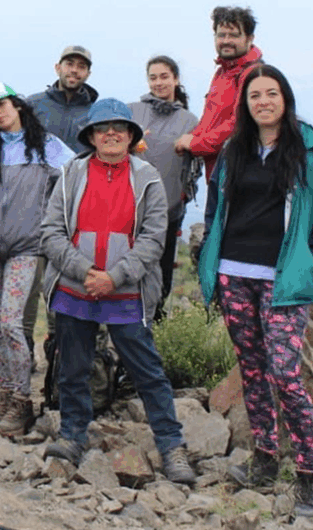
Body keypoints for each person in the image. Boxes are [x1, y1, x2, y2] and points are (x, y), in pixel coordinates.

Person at [196, 64, 313, 518]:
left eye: (271, 93)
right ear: (245, 105)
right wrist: (211, 257)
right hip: (235, 274)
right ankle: (265, 457)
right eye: (254, 95)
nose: (263, 101)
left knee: (285, 372)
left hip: (284, 280)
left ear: (285, 98)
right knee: (253, 370)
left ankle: (307, 474)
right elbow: (215, 211)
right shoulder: (233, 150)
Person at [39, 99, 197, 486]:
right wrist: (85, 271)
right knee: (73, 367)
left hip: (127, 292)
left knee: (146, 370)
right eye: (103, 128)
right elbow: (51, 232)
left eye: (120, 128)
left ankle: (171, 445)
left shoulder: (148, 178)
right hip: (76, 288)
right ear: (91, 136)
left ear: (130, 136)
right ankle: (73, 435)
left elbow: (153, 239)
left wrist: (114, 277)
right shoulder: (71, 173)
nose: (111, 134)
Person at [0, 82, 72, 436]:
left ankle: (23, 400)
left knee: (11, 322)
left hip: (27, 246)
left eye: (3, 105)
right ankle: (6, 392)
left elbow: (76, 175)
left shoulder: (47, 146)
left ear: (18, 106)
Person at [129, 56, 201, 320]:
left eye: (164, 76)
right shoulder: (132, 111)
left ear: (176, 79)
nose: (158, 82)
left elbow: (198, 163)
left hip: (170, 210)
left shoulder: (190, 120)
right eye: (153, 77)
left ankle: (155, 328)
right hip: (129, 209)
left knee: (161, 274)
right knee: (127, 270)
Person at [174, 6, 264, 180]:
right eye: (221, 35)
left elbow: (239, 123)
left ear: (249, 39)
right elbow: (211, 121)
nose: (226, 40)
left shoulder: (254, 74)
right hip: (218, 174)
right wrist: (190, 138)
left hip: (242, 175)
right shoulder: (222, 73)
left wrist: (195, 143)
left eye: (234, 35)